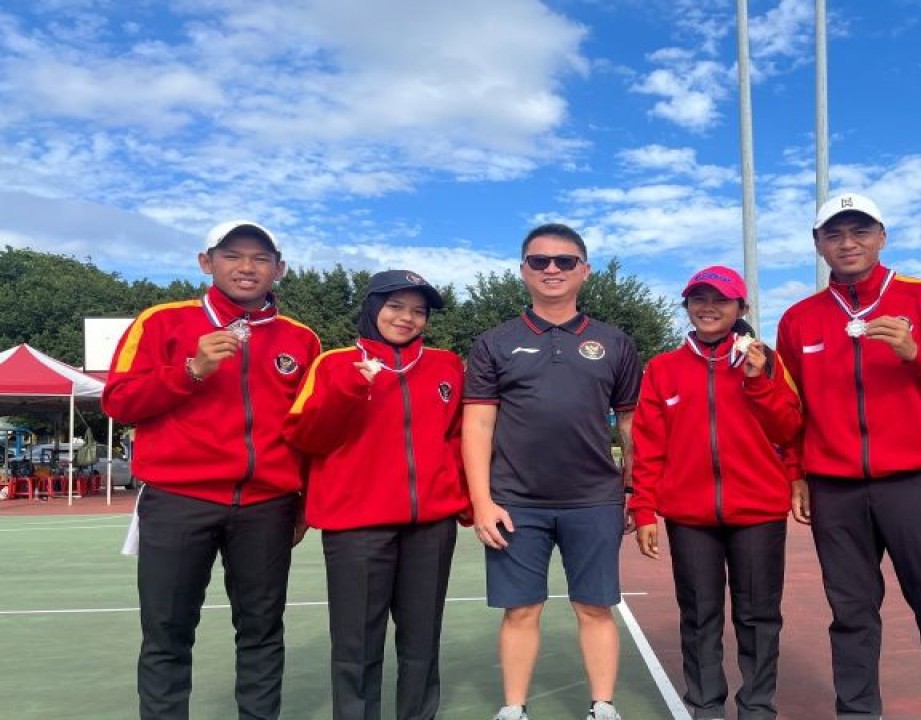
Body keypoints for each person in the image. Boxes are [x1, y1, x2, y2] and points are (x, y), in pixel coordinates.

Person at [778, 192, 921, 718]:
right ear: (817, 244)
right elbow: (790, 410)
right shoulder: (799, 320)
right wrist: (796, 474)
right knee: (850, 616)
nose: (847, 243)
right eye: (834, 234)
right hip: (836, 487)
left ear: (882, 235)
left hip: (920, 483)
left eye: (860, 231)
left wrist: (917, 354)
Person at [103, 220, 321, 719]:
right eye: (232, 255)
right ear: (207, 262)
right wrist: (190, 371)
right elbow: (118, 401)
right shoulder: (162, 322)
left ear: (279, 269)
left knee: (263, 632)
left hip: (267, 506)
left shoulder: (301, 339)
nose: (247, 267)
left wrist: (304, 500)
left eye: (261, 258)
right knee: (167, 632)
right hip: (180, 501)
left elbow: (306, 429)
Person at [462, 223, 642, 720]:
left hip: (595, 500)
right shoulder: (495, 342)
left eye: (564, 261)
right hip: (516, 502)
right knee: (520, 611)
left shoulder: (614, 342)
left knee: (595, 607)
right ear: (523, 271)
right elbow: (477, 423)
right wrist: (482, 501)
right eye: (539, 261)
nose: (552, 269)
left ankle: (601, 706)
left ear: (584, 270)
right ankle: (514, 708)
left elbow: (629, 423)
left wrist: (636, 489)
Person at [283, 270, 469, 720]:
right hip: (356, 528)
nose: (407, 318)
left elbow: (459, 437)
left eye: (418, 311)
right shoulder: (332, 364)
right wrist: (351, 387)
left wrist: (462, 500)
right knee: (356, 644)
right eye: (395, 306)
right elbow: (307, 437)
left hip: (430, 526)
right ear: (371, 308)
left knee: (422, 641)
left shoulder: (447, 366)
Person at [630, 266, 802, 720]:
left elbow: (789, 427)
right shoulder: (662, 369)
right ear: (687, 306)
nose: (709, 307)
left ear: (741, 308)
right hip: (689, 516)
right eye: (699, 298)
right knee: (700, 616)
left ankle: (757, 707)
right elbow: (648, 444)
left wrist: (758, 381)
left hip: (759, 511)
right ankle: (705, 706)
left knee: (758, 617)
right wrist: (643, 508)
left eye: (721, 299)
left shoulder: (766, 359)